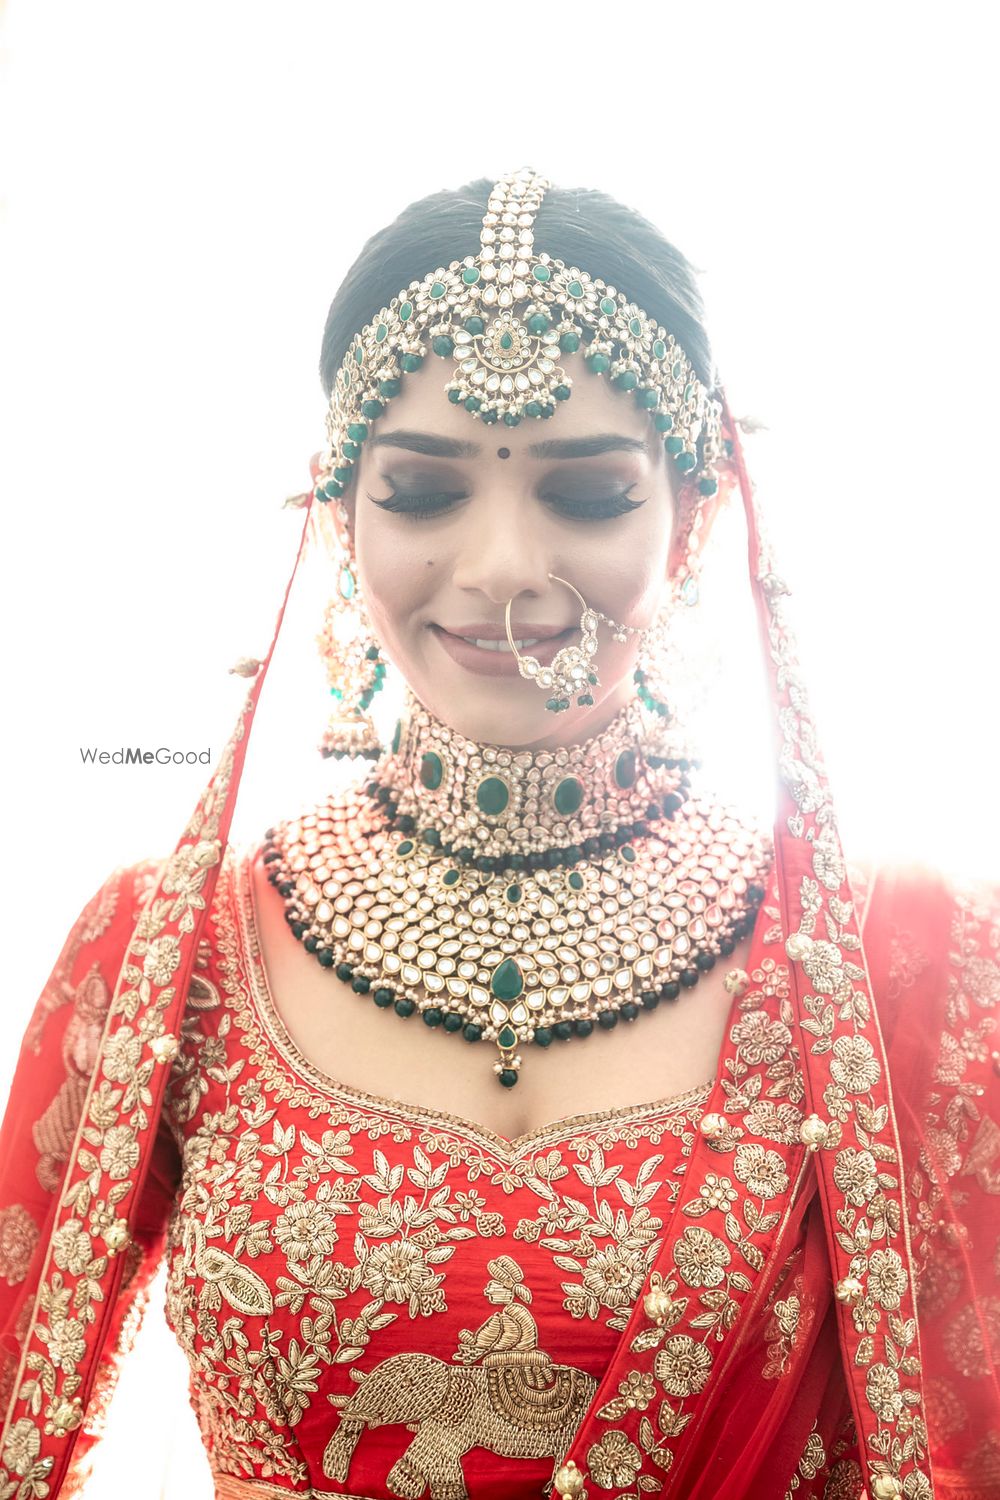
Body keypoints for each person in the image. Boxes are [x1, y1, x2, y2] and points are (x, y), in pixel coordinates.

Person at [0, 169, 996, 1500]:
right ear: (339, 516)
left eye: (587, 497)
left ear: (691, 521)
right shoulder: (162, 951)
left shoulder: (903, 963)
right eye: (421, 492)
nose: (502, 568)